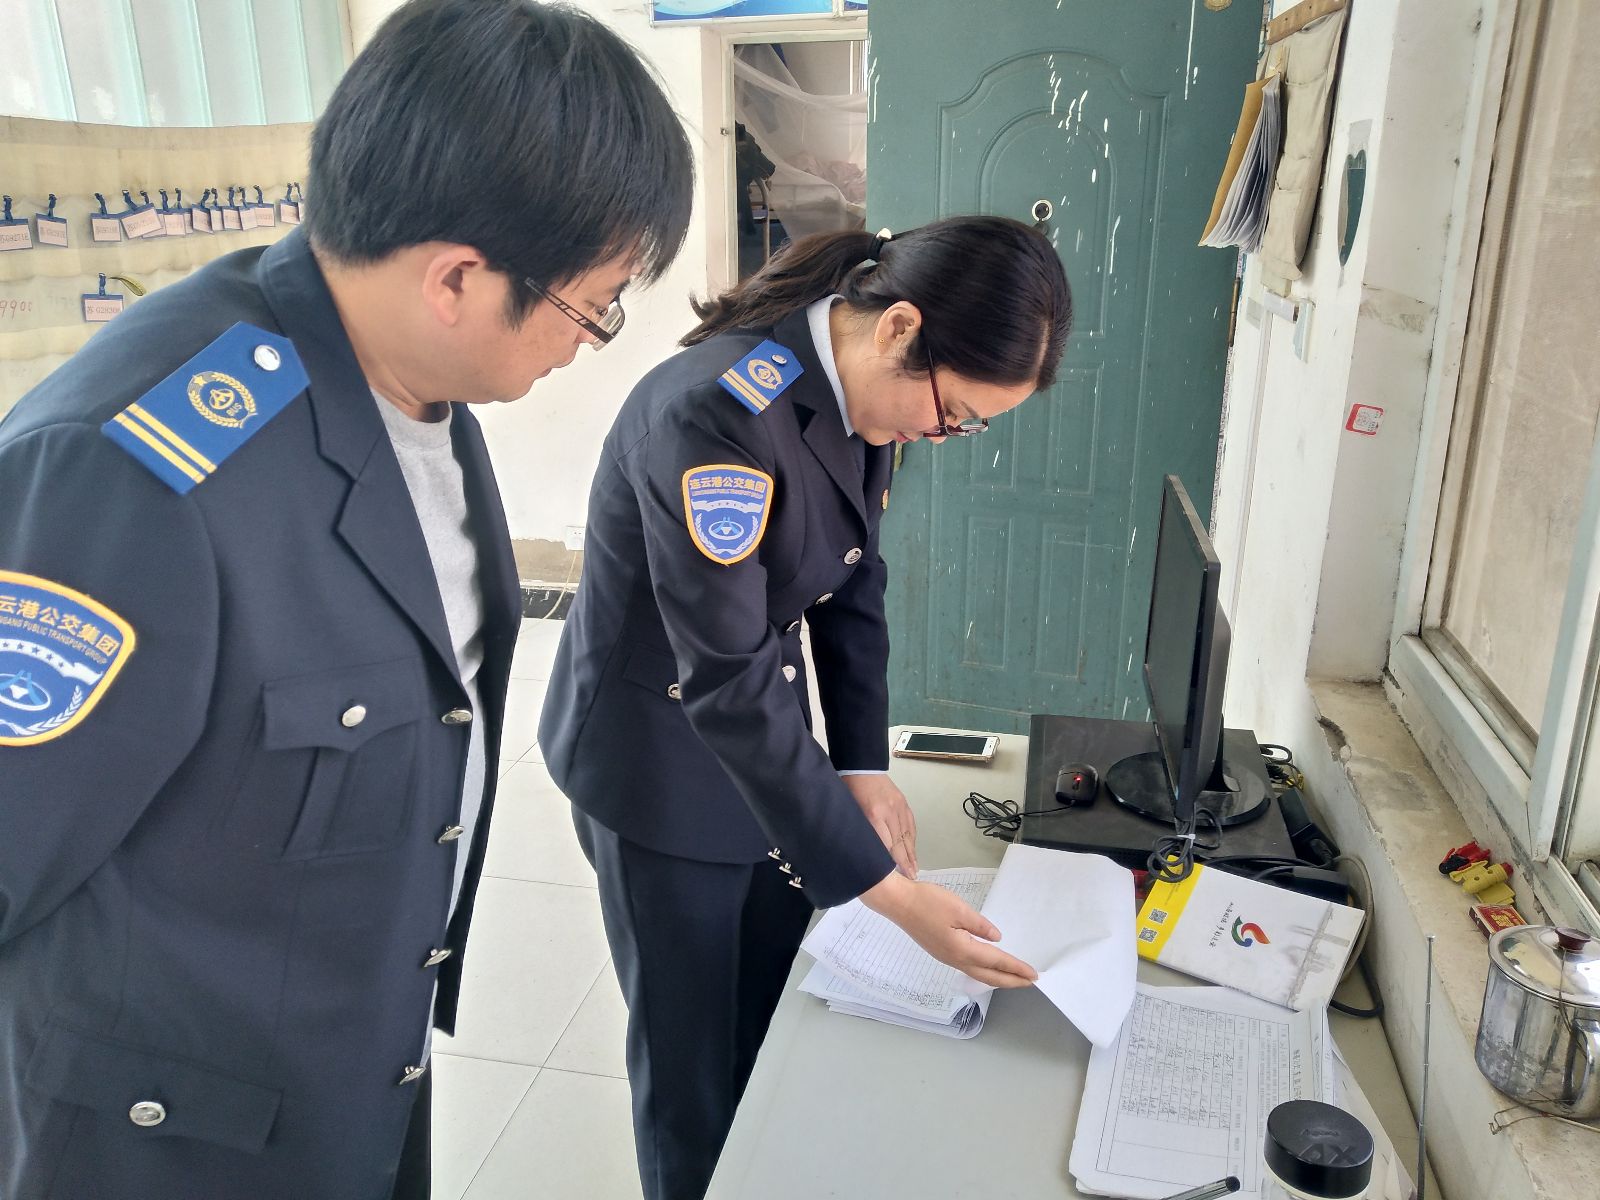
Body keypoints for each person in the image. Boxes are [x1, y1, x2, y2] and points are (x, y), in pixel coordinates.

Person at [0, 2, 691, 1197]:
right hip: (170, 1143)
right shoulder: (135, 468)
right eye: (594, 306)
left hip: (351, 1068)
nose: (592, 342)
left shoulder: (412, 385)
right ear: (457, 278)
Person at [539, 214, 1073, 1199]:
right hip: (657, 763)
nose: (942, 437)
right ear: (900, 327)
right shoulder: (718, 418)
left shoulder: (862, 399)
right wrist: (887, 893)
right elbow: (727, 678)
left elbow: (854, 584)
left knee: (771, 1022)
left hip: (762, 741)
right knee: (694, 1065)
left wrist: (862, 767)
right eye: (954, 415)